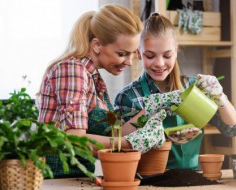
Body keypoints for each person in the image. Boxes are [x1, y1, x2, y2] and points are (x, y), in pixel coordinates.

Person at [37, 4, 168, 178]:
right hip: (54, 178)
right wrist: (129, 144)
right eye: (122, 53)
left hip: (77, 176)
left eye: (132, 53)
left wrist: (150, 110)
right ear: (97, 45)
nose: (129, 62)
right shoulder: (72, 70)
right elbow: (75, 141)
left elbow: (114, 133)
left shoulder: (93, 78)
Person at [115, 13, 236, 170]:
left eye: (167, 55)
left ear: (176, 50)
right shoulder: (129, 96)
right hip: (148, 181)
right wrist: (149, 110)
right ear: (139, 54)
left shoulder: (193, 88)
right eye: (150, 56)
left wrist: (220, 97)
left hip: (192, 180)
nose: (159, 63)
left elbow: (232, 128)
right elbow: (117, 143)